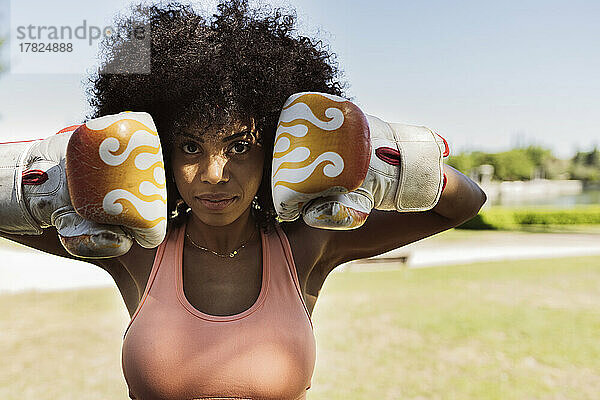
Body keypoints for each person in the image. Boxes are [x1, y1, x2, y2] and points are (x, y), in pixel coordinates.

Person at [0, 1, 487, 399]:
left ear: (278, 148)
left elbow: (463, 202)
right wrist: (59, 174)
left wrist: (384, 155)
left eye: (240, 147)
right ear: (158, 156)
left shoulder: (306, 247)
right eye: (190, 147)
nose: (214, 175)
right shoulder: (136, 250)